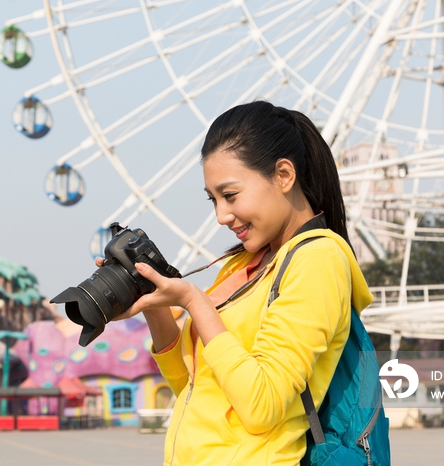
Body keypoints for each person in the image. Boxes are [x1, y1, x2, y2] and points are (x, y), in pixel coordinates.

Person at [115, 101, 373, 465]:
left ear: (284, 175)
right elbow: (192, 388)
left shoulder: (319, 260)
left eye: (230, 195)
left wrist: (194, 300)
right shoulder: (242, 263)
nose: (221, 215)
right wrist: (152, 303)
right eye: (213, 200)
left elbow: (261, 406)